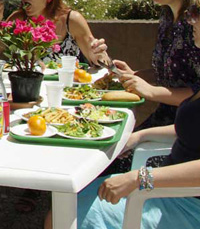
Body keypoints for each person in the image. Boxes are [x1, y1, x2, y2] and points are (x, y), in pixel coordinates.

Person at [43, 88, 200, 229]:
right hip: (166, 189)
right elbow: (190, 129)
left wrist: (139, 178)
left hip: (186, 205)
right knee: (67, 203)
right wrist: (140, 136)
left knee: (71, 212)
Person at [92, 0, 200, 131]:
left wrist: (150, 91)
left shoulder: (195, 22)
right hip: (166, 120)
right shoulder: (167, 16)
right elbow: (174, 72)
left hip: (187, 129)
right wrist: (136, 75)